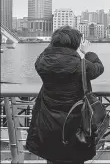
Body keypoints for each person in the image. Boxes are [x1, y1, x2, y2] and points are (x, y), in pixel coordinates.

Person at [26, 26, 104, 164]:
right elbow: (98, 67)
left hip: (48, 120)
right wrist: (87, 52)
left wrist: (53, 45)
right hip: (76, 122)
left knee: (52, 155)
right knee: (75, 156)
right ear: (76, 44)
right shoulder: (81, 65)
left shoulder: (42, 63)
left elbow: (46, 55)